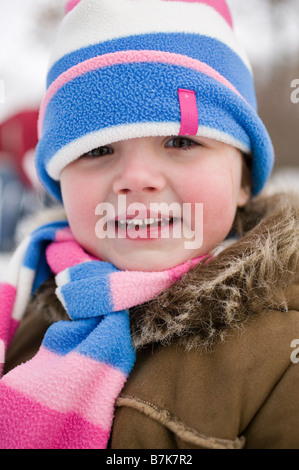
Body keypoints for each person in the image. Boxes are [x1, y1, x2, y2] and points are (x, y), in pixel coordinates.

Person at [1, 0, 299, 449]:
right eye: (99, 150)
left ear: (243, 179)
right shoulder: (25, 314)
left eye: (180, 141)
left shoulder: (282, 351)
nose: (137, 180)